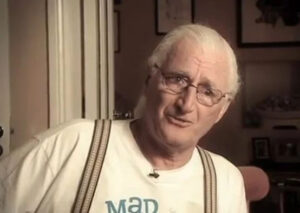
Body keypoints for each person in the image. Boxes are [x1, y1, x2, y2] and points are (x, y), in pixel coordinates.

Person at [0, 24, 246, 213]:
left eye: (207, 92)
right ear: (150, 79)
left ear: (222, 109)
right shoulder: (72, 144)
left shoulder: (225, 181)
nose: (187, 104)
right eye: (177, 79)